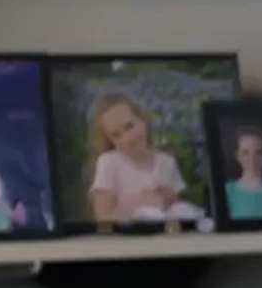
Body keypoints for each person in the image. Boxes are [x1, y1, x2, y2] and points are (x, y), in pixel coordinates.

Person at [84, 94, 205, 225]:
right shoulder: (109, 163)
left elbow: (175, 206)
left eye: (129, 127)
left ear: (143, 120)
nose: (127, 139)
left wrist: (168, 197)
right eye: (116, 135)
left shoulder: (166, 162)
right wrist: (137, 202)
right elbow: (103, 220)